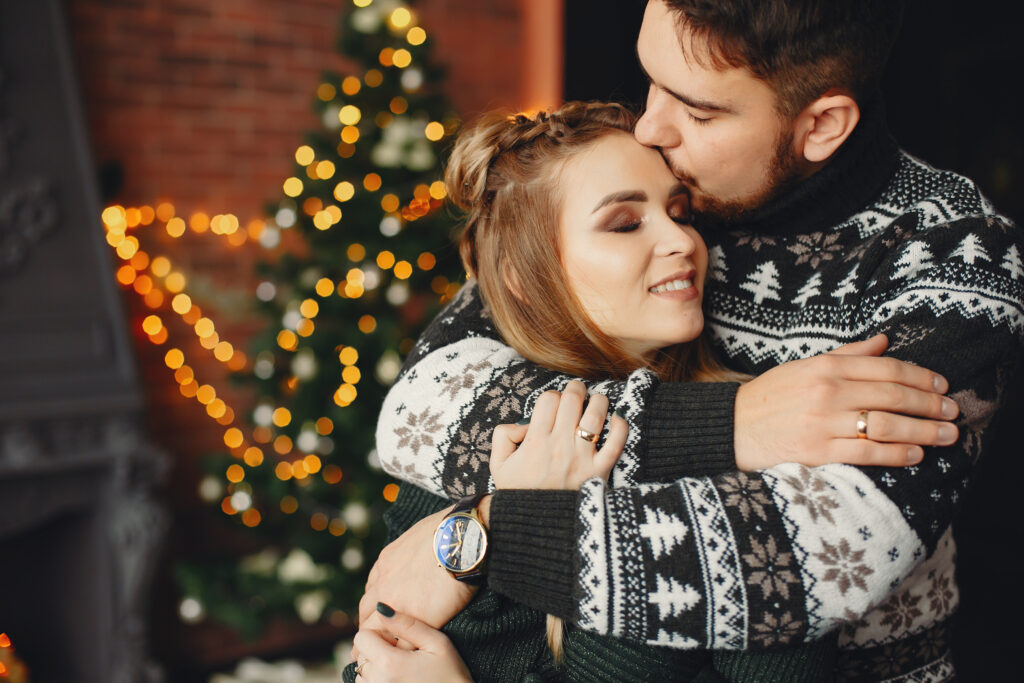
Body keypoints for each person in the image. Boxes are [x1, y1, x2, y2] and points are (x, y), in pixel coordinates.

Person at [360, 1, 1024, 681]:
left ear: (820, 124)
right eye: (650, 80)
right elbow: (426, 406)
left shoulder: (950, 253)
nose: (650, 126)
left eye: (699, 112)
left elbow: (811, 558)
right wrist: (735, 422)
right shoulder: (653, 175)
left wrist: (488, 534)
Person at [350, 101, 868, 682]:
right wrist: (502, 519)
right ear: (525, 277)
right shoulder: (476, 445)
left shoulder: (757, 460)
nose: (682, 241)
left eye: (681, 212)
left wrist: (535, 525)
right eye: (625, 223)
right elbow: (375, 657)